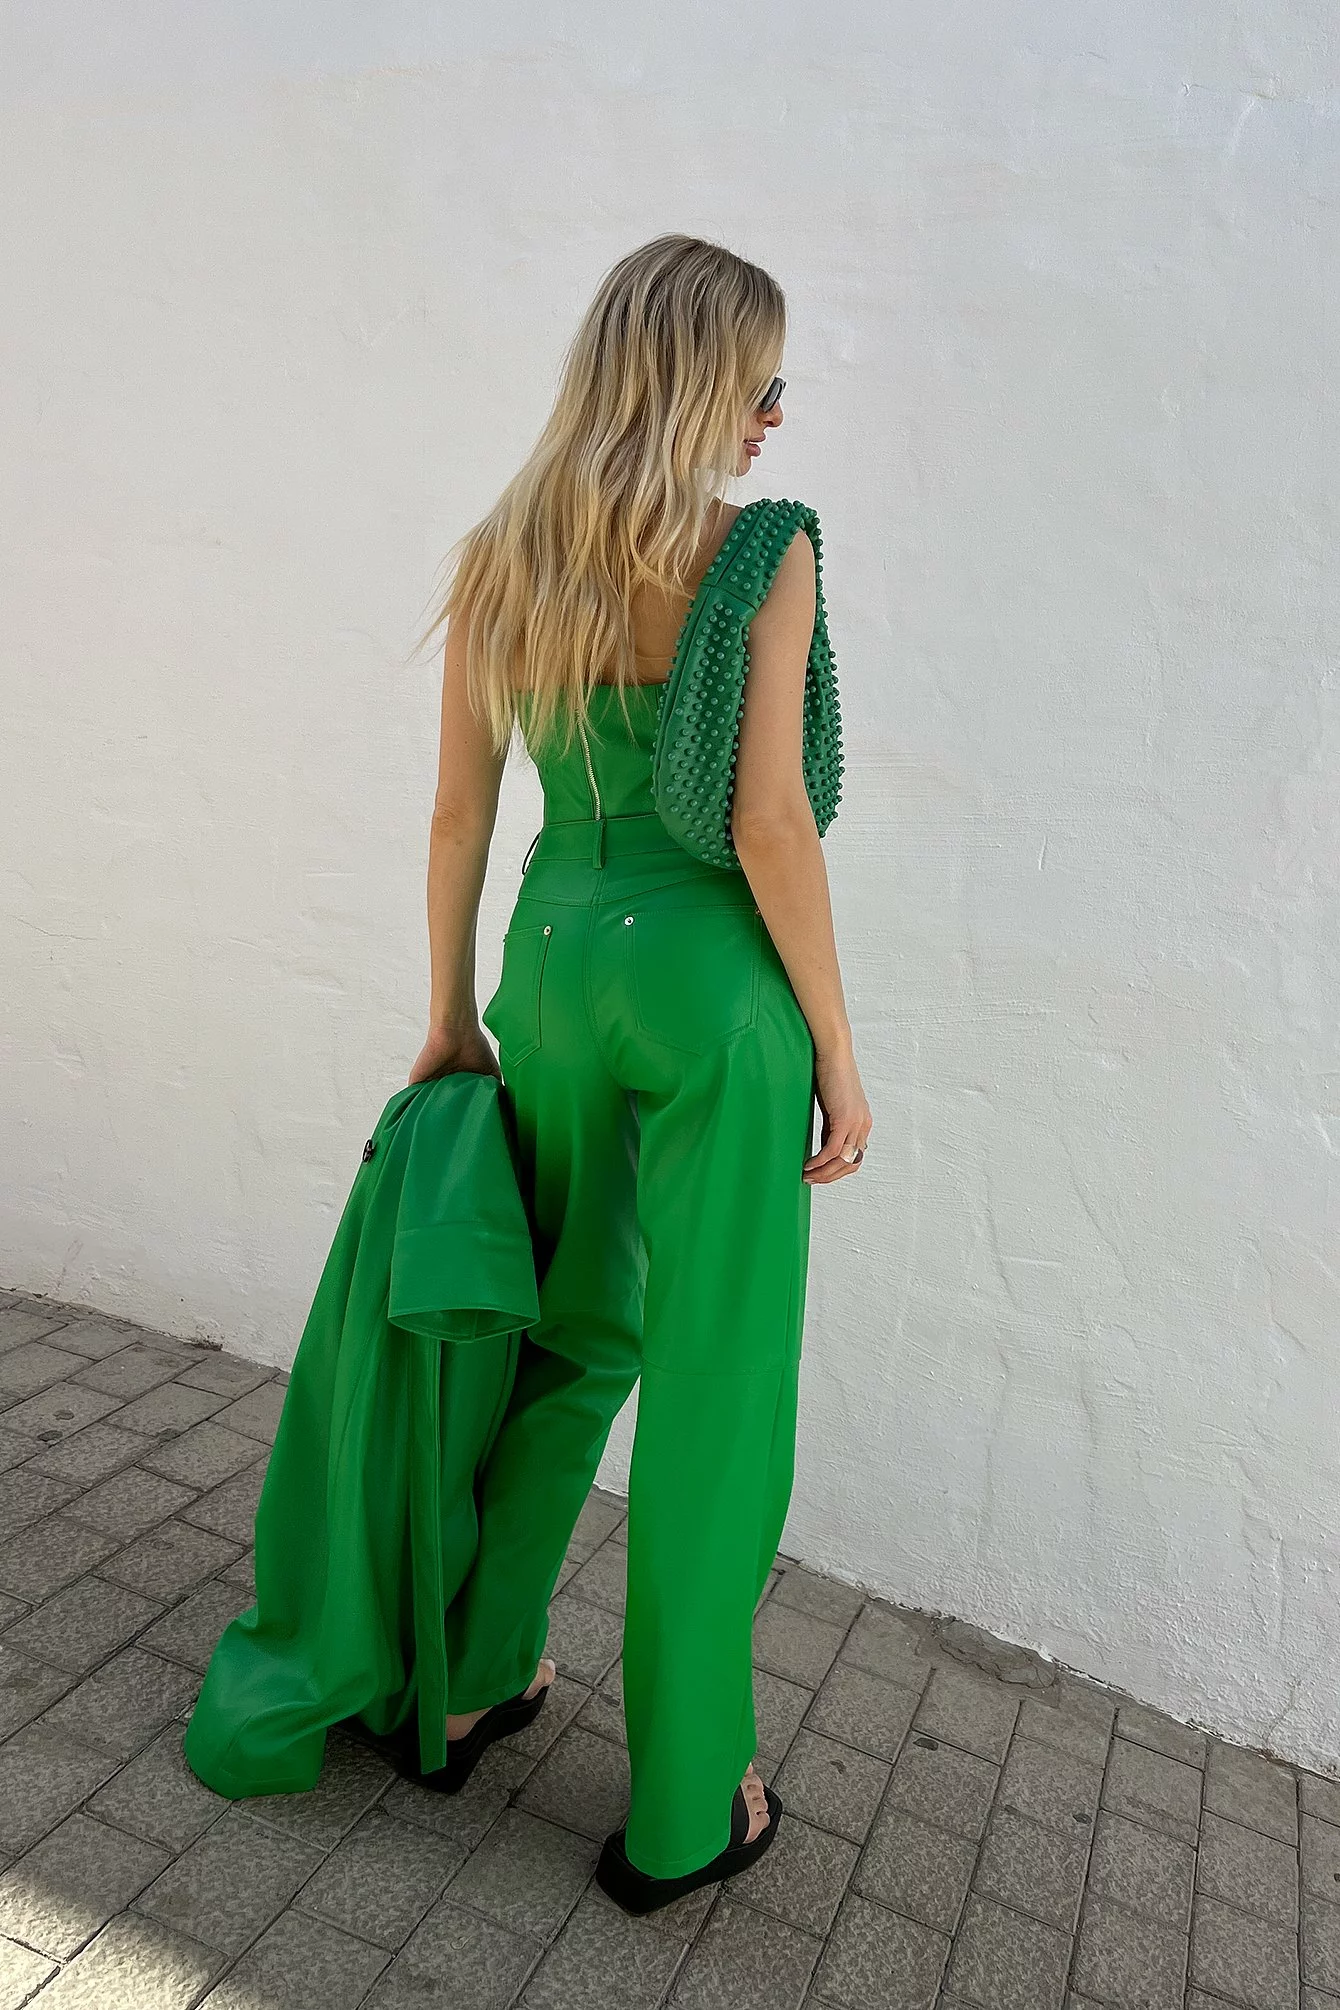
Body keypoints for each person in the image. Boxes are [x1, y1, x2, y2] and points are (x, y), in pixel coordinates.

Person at [406, 232, 872, 1913]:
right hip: (707, 989)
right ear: (696, 384)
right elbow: (771, 822)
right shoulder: (760, 552)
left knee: (567, 1331)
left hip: (550, 964)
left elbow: (460, 813)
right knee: (716, 1380)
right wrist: (838, 1050)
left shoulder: (502, 554)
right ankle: (684, 1806)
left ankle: (473, 1680)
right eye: (760, 382)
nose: (772, 417)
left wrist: (451, 1012)